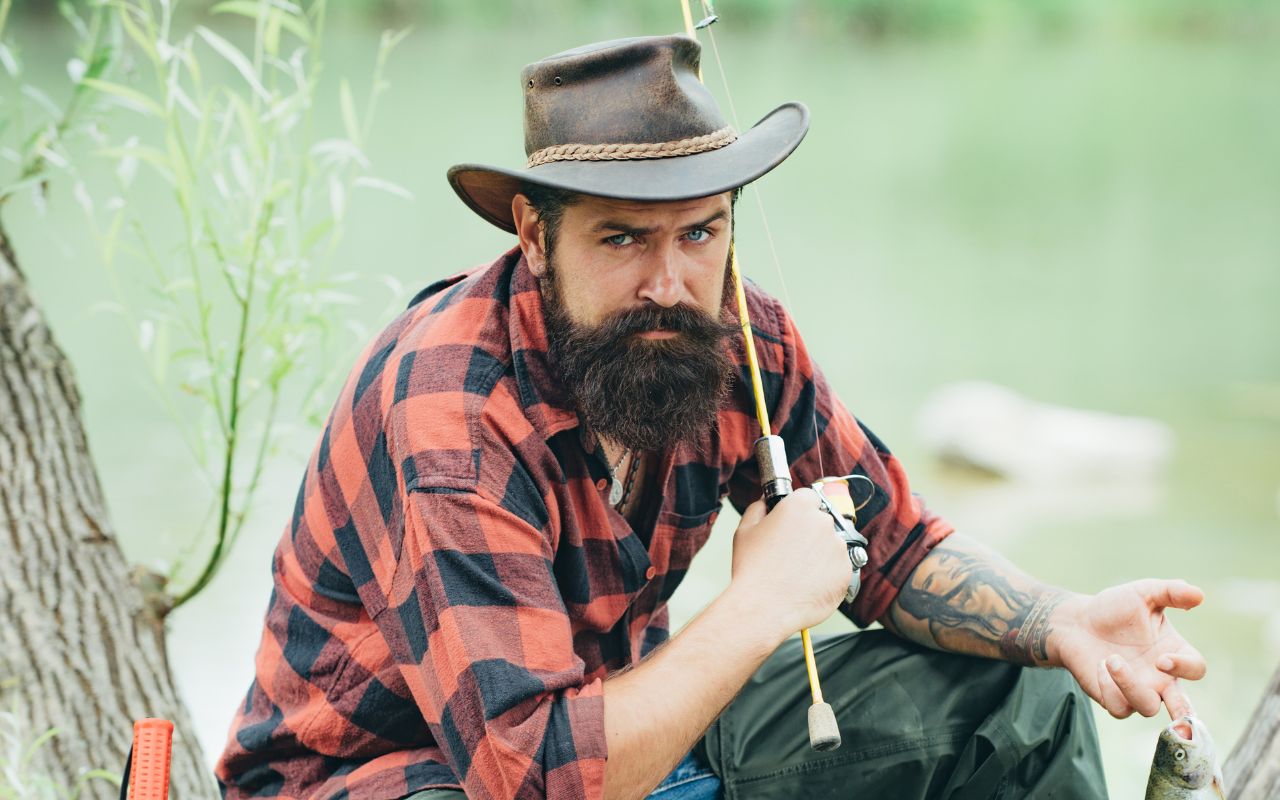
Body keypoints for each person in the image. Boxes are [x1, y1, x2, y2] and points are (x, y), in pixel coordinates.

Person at [216, 35, 1207, 800]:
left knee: (1016, 694)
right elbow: (533, 778)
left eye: (701, 231)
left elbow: (891, 546)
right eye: (620, 238)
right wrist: (759, 602)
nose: (669, 280)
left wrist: (1060, 620)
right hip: (396, 778)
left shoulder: (730, 332)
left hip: (625, 755)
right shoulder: (447, 412)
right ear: (533, 234)